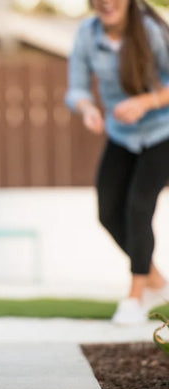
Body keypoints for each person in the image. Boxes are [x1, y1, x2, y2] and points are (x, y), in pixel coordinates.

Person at [65, 0, 169, 324]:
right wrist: (89, 109)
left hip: (162, 132)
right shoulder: (87, 33)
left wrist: (145, 101)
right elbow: (76, 89)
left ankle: (137, 296)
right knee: (109, 212)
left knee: (139, 206)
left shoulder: (151, 32)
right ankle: (158, 282)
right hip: (121, 136)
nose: (107, 3)